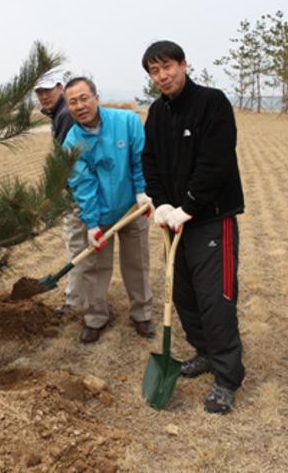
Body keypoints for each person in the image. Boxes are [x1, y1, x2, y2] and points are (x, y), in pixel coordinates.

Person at [140, 40, 245, 415]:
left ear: (184, 64)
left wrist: (190, 206)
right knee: (183, 295)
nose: (162, 76)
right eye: (154, 71)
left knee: (216, 298)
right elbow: (149, 160)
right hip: (174, 221)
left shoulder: (212, 103)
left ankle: (226, 377)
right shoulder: (158, 111)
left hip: (211, 218)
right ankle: (203, 352)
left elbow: (215, 163)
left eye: (167, 66)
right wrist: (162, 203)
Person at [61, 76, 154, 343]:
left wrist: (141, 191)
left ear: (96, 98)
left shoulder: (126, 122)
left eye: (83, 98)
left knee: (137, 263)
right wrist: (91, 224)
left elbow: (139, 159)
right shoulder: (72, 143)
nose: (79, 106)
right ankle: (95, 318)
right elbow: (83, 184)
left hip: (131, 208)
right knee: (95, 269)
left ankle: (142, 314)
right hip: (99, 214)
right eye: (72, 102)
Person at [34, 67, 83, 310]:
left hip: (78, 194)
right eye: (39, 92)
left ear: (60, 88)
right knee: (81, 247)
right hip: (78, 191)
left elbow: (67, 161)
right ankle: (81, 297)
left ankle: (74, 301)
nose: (44, 96)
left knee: (76, 246)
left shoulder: (65, 114)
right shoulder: (59, 113)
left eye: (48, 89)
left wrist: (54, 194)